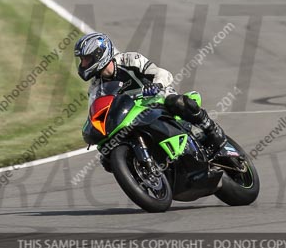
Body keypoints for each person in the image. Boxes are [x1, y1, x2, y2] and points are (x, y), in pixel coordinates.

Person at [74, 33, 226, 168]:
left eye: (86, 59)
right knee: (106, 158)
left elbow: (161, 73)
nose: (83, 65)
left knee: (178, 102)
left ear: (99, 53)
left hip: (155, 96)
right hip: (130, 112)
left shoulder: (129, 59)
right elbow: (97, 111)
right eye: (82, 61)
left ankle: (211, 129)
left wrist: (156, 85)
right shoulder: (95, 87)